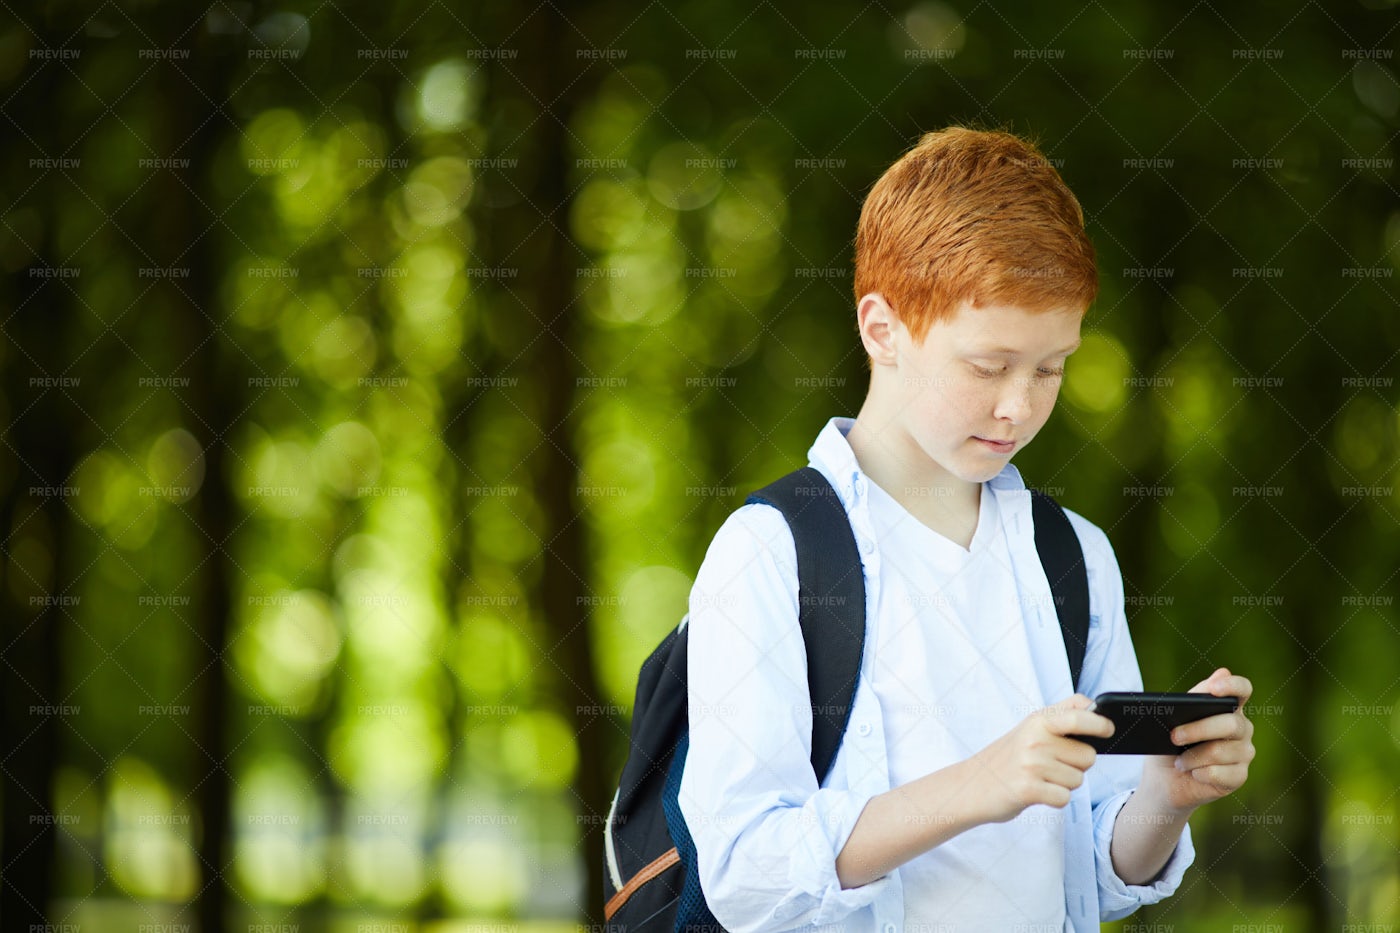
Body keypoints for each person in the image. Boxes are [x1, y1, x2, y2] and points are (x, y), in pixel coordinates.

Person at [678, 126, 1256, 933]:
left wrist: (1167, 795)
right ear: (882, 330)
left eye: (1051, 368)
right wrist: (980, 783)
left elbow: (1100, 872)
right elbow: (745, 871)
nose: (1018, 405)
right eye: (988, 366)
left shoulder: (1074, 558)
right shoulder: (774, 552)